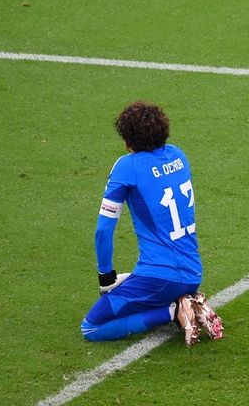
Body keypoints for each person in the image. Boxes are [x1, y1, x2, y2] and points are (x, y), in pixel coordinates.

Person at [81, 101, 224, 346]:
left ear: (128, 140)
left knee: (92, 327)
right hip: (192, 272)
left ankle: (175, 311)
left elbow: (103, 230)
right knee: (128, 281)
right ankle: (182, 301)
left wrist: (105, 277)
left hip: (160, 278)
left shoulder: (127, 167)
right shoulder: (179, 156)